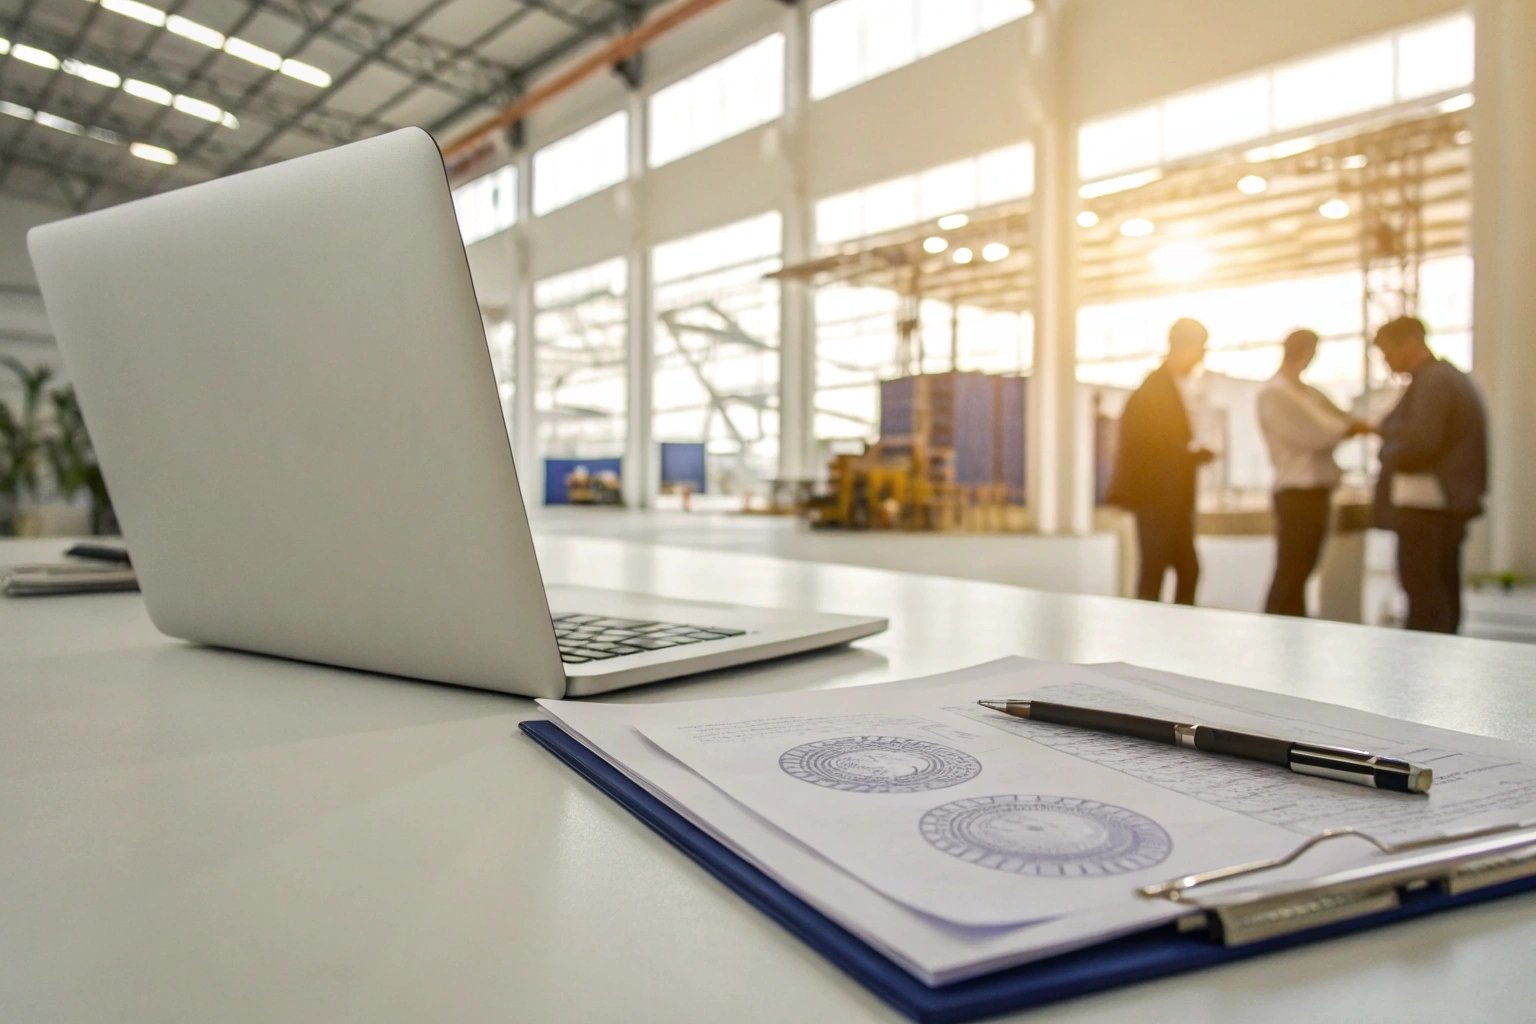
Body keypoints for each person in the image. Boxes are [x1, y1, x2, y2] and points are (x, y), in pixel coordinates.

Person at [1372, 316, 1489, 633]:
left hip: (1429, 506)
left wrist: (1386, 450)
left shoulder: (1434, 381)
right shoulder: (1444, 378)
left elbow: (1419, 444)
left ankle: (1423, 670)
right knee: (1440, 588)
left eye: (1387, 353)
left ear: (1409, 344)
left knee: (1424, 593)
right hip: (1442, 504)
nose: (1386, 362)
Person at [1257, 330, 1371, 616]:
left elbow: (1339, 417)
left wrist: (1353, 424)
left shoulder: (1306, 392)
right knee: (1291, 572)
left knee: (1303, 570)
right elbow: (1316, 431)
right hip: (1296, 493)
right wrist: (1351, 428)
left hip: (1316, 492)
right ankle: (1278, 633)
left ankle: (1296, 633)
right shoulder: (1275, 393)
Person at [1107, 318, 1215, 604]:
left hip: (1172, 500)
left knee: (1186, 570)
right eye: (1201, 348)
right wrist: (1190, 454)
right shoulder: (1153, 392)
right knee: (1154, 573)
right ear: (1186, 347)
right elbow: (1145, 447)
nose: (1203, 355)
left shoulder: (1169, 387)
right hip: (1157, 501)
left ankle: (1176, 632)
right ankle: (1148, 636)